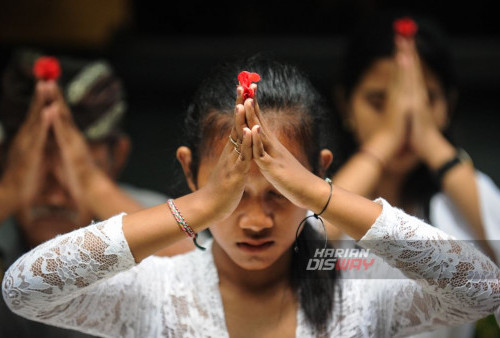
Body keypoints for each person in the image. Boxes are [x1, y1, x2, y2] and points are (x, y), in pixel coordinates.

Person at [2, 54, 500, 337]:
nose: (256, 221)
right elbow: (24, 288)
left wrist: (318, 196)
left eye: (279, 194)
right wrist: (200, 206)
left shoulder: (352, 279)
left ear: (317, 174)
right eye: (234, 195)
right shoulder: (156, 289)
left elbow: (485, 287)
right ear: (188, 170)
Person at [328, 11, 500, 337]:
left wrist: (432, 141)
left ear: (448, 105)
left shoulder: (461, 201)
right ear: (346, 105)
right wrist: (383, 143)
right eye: (380, 101)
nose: (402, 117)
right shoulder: (317, 186)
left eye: (423, 100)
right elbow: (295, 250)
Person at [0, 49, 193, 337]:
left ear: (118, 157)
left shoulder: (149, 217)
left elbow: (210, 274)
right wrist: (11, 187)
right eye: (36, 174)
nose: (54, 197)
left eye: (72, 174)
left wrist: (91, 184)